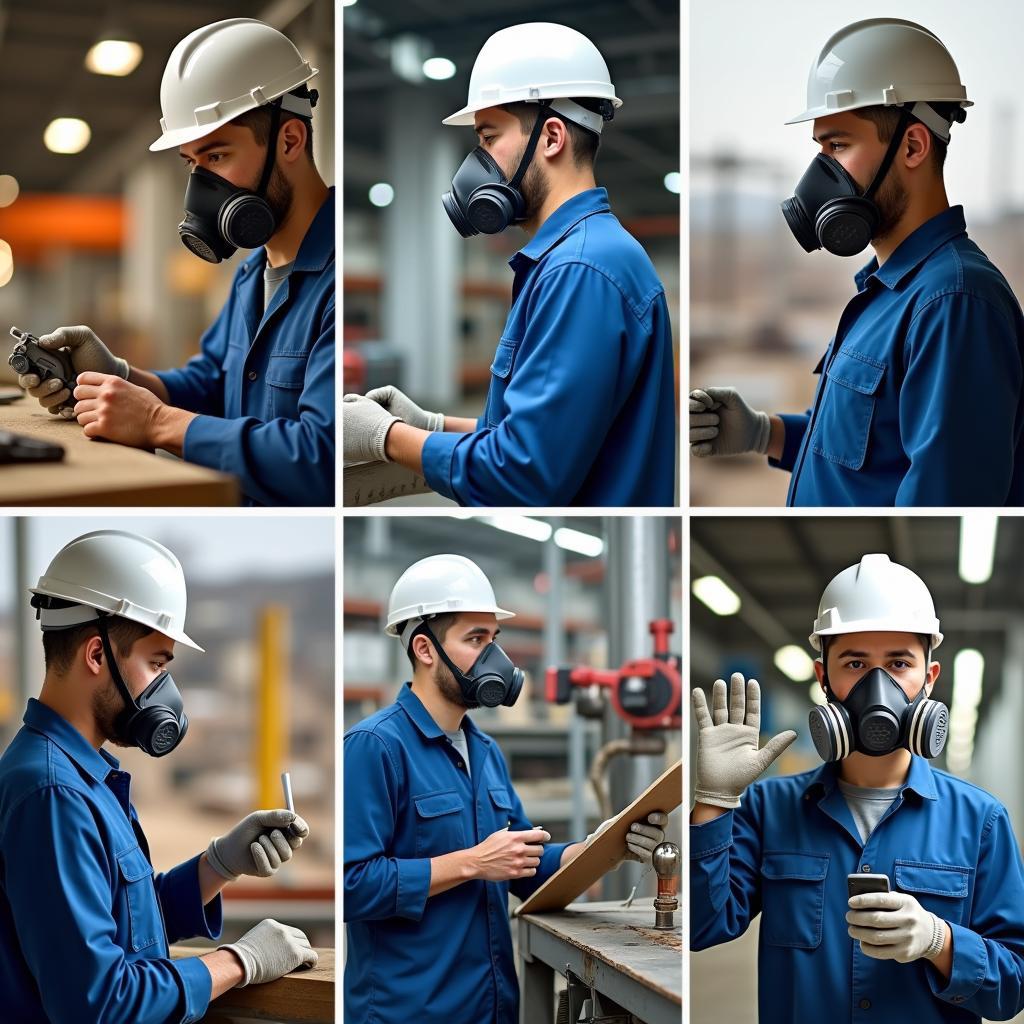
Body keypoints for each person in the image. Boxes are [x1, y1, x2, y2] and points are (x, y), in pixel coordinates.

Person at [689, 19, 1024, 507]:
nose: (818, 176)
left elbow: (943, 502)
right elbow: (874, 455)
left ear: (913, 146)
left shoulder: (953, 302)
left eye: (839, 146)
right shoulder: (889, 292)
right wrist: (766, 432)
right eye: (821, 149)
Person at [343, 22, 676, 507]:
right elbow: (545, 435)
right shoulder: (578, 257)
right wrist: (433, 426)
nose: (477, 162)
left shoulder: (580, 272)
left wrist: (387, 438)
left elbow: (523, 473)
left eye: (489, 136)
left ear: (552, 138)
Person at [690, 553, 1024, 1023]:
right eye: (855, 663)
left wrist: (939, 941)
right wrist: (712, 802)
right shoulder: (770, 808)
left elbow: (1013, 988)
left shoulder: (980, 820)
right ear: (823, 676)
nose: (878, 685)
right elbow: (701, 928)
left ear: (929, 678)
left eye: (899, 663)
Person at [0, 530, 318, 1023]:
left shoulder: (85, 777)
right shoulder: (53, 793)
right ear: (97, 655)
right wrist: (239, 961)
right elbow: (99, 1003)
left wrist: (219, 864)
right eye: (155, 663)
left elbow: (118, 928)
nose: (167, 691)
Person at [15, 19, 335, 507]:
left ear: (290, 141)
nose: (201, 189)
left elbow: (321, 459)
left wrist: (156, 422)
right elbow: (212, 385)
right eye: (192, 164)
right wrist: (120, 377)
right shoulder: (252, 274)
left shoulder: (335, 278)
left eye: (218, 156)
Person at [343, 554, 669, 1023]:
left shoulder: (486, 751)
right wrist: (474, 863)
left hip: (492, 1008)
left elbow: (523, 864)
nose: (494, 658)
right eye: (475, 639)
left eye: (493, 639)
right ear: (425, 648)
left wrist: (602, 847)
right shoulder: (374, 747)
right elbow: (352, 886)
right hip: (410, 1011)